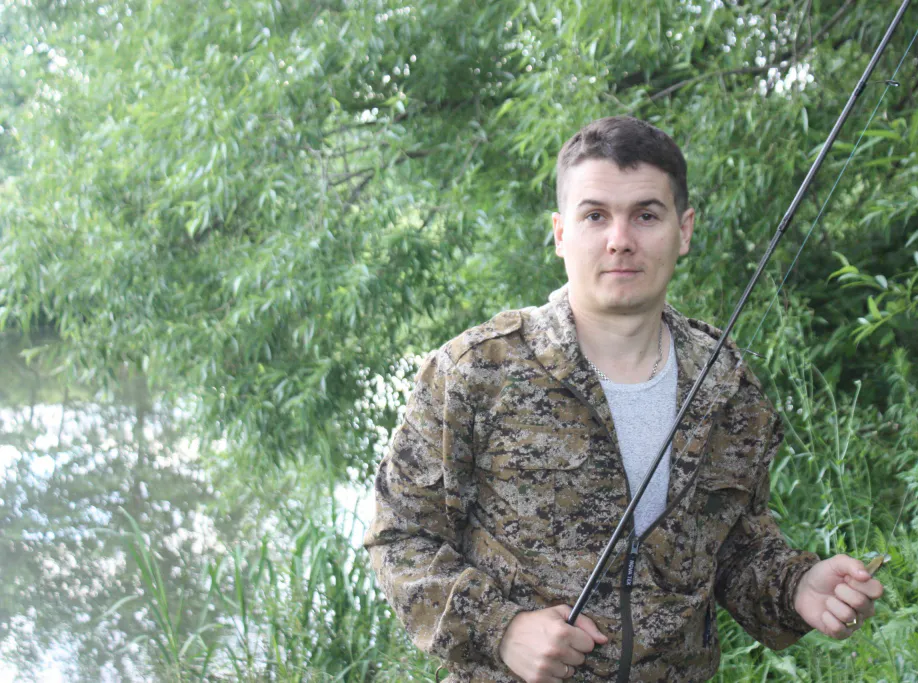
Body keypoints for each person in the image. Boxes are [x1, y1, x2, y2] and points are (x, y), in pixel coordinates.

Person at [364, 116, 884, 683]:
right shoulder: (475, 371)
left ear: (684, 230)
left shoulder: (725, 382)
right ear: (560, 233)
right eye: (595, 216)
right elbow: (400, 537)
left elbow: (735, 547)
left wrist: (797, 587)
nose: (620, 239)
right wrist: (501, 630)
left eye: (646, 215)